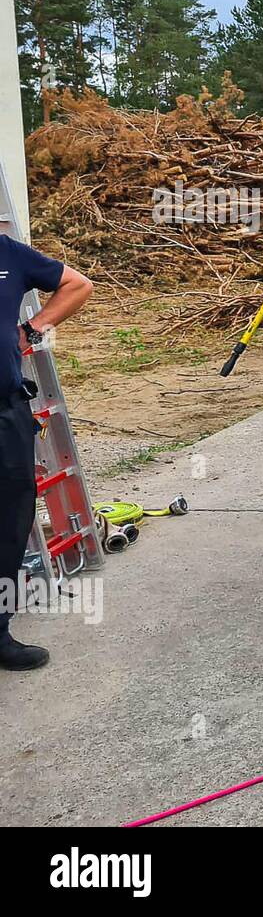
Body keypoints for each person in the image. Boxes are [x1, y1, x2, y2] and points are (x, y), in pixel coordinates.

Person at [1, 234, 92, 670]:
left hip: (6, 412)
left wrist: (32, 330)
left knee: (10, 519)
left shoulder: (9, 252)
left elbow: (78, 285)